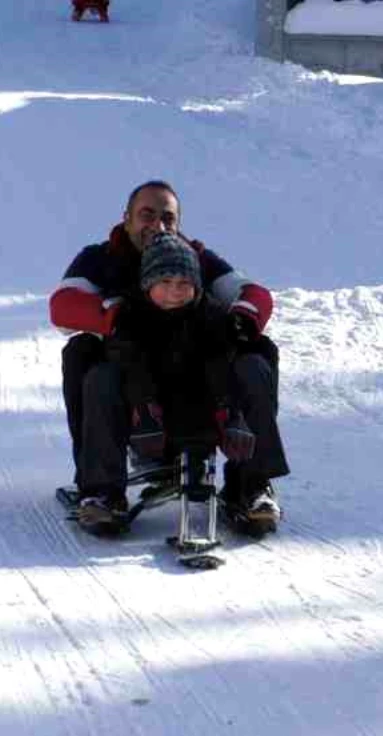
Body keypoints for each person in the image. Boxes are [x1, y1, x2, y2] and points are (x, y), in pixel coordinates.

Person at [49, 180, 288, 530]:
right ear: (126, 218)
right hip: (131, 378)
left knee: (257, 354)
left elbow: (253, 293)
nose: (158, 225)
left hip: (195, 377)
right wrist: (116, 318)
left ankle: (250, 485)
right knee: (82, 354)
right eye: (147, 214)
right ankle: (99, 489)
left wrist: (241, 321)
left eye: (168, 217)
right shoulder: (101, 259)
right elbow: (63, 306)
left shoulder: (192, 258)